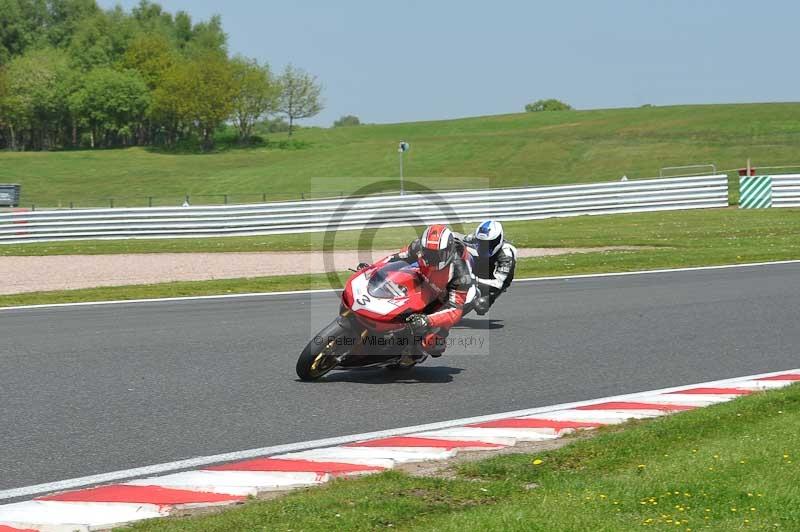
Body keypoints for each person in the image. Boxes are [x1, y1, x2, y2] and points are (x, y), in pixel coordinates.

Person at [358, 224, 475, 357]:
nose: (430, 258)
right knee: (396, 282)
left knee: (432, 344)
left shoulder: (461, 274)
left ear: (447, 252)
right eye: (428, 252)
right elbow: (395, 258)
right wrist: (373, 269)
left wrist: (427, 320)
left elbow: (455, 310)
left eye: (435, 255)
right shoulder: (419, 246)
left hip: (448, 298)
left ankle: (411, 355)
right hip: (425, 279)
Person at [463, 220, 516, 315]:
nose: (484, 246)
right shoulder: (475, 238)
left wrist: (472, 280)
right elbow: (459, 239)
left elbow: (497, 284)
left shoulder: (506, 255)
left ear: (498, 239)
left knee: (481, 305)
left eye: (489, 243)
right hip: (482, 266)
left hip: (498, 280)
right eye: (482, 243)